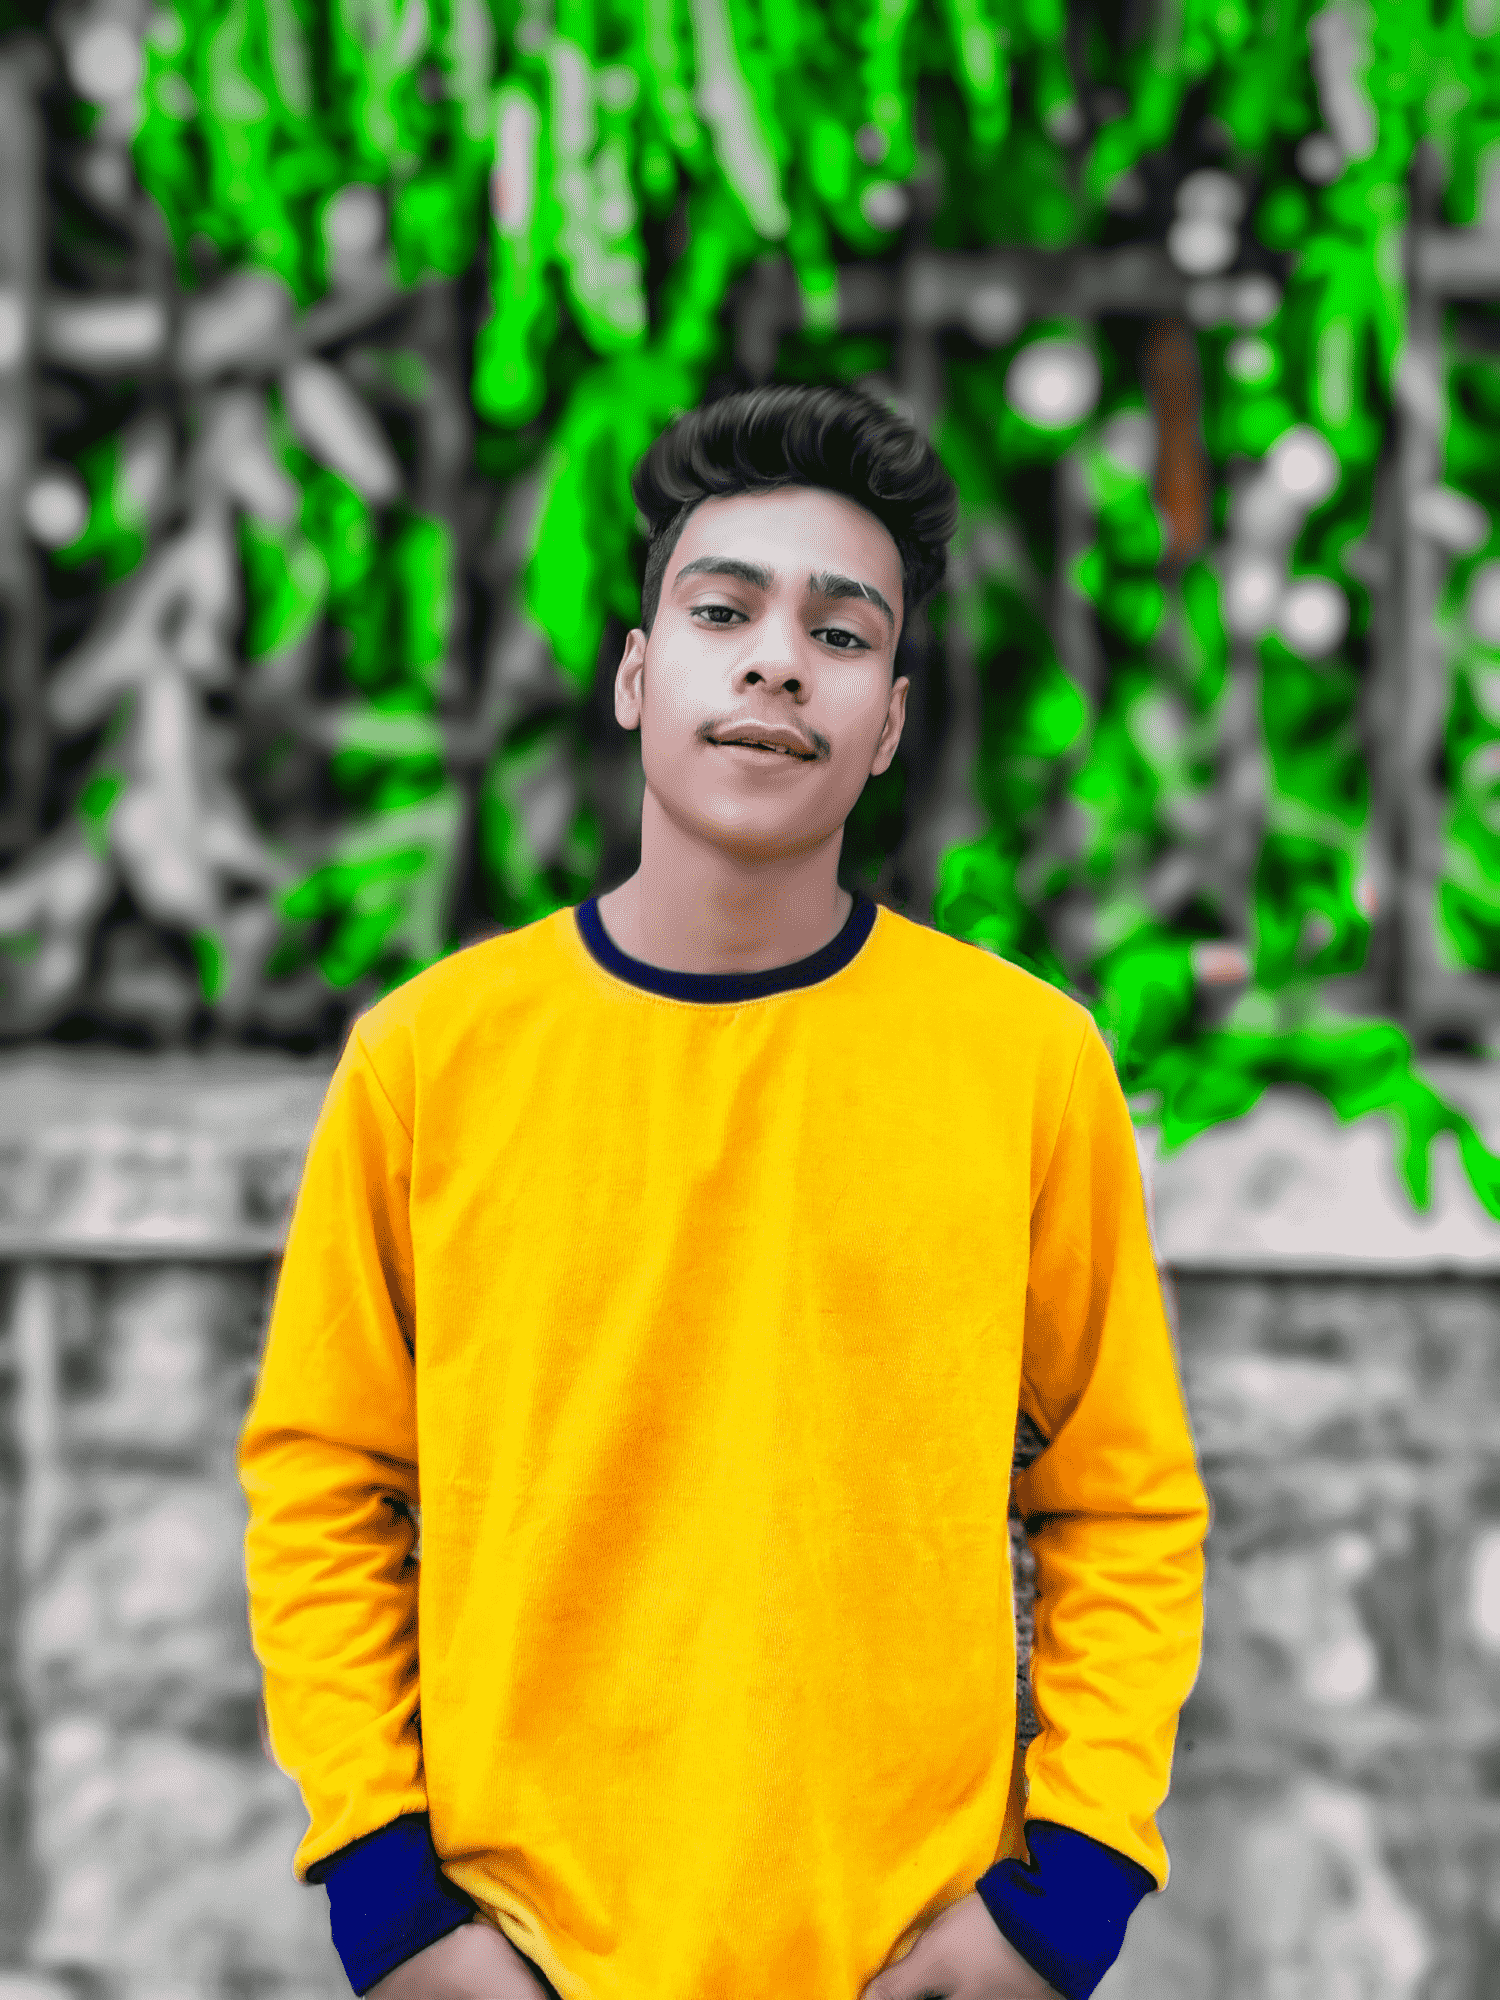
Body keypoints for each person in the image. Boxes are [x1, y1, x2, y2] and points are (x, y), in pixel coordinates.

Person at [238, 380, 1210, 2000]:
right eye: (722, 610)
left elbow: (1121, 1502)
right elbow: (325, 1487)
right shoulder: (429, 1061)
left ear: (888, 724)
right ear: (636, 676)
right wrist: (388, 1902)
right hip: (522, 1950)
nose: (777, 659)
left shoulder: (1026, 1065)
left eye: (842, 633)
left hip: (901, 1950)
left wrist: (1066, 1902)